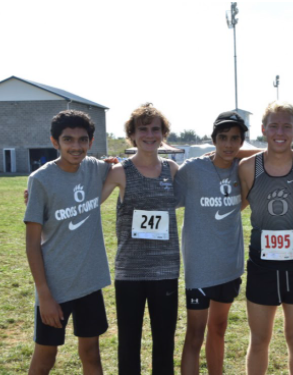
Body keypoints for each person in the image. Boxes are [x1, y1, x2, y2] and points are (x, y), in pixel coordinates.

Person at [239, 101, 293, 375]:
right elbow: (230, 209)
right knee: (259, 340)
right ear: (263, 129)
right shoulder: (247, 168)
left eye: (286, 126)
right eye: (274, 125)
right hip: (261, 266)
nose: (280, 131)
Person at [24, 110, 111, 374]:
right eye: (68, 139)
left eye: (82, 140)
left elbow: (122, 165)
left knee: (91, 355)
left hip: (89, 283)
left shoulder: (96, 168)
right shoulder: (40, 180)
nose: (76, 146)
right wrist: (45, 295)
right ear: (55, 142)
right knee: (45, 357)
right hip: (55, 288)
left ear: (90, 142)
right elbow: (31, 243)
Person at [101, 103, 180, 375]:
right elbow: (87, 199)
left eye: (155, 129)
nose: (149, 135)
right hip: (130, 272)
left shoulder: (172, 169)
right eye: (142, 129)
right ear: (132, 135)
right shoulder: (119, 172)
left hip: (166, 270)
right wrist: (40, 193)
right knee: (128, 343)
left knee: (164, 344)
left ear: (163, 134)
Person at [177, 111, 248, 375]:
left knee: (218, 329)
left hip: (229, 266)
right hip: (200, 268)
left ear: (242, 141)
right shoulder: (193, 169)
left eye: (235, 138)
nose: (229, 144)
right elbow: (166, 198)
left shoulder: (244, 169)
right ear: (213, 139)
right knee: (195, 335)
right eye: (223, 138)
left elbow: (273, 155)